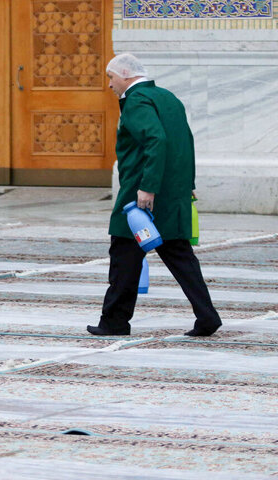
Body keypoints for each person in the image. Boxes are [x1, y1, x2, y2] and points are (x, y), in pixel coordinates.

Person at [87, 53, 222, 337]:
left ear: (125, 74)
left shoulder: (137, 101)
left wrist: (147, 187)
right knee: (180, 256)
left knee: (124, 256)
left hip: (141, 197)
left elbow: (155, 139)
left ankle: (114, 322)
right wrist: (187, 183)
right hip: (171, 193)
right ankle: (207, 316)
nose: (110, 85)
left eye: (111, 78)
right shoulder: (167, 97)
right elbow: (185, 141)